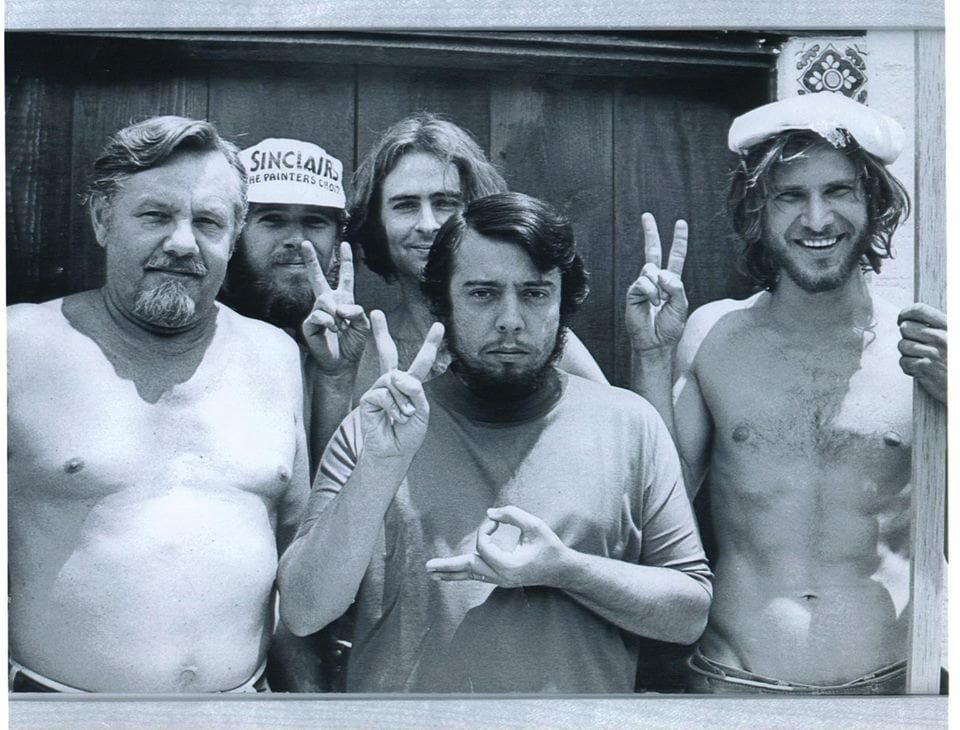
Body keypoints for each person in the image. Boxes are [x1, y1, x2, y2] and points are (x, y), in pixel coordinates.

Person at [278, 192, 712, 693]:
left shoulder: (630, 424)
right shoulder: (376, 431)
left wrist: (566, 570)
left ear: (562, 301)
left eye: (534, 293)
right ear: (444, 301)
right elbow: (304, 612)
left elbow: (689, 615)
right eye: (483, 293)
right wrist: (380, 465)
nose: (511, 319)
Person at [626, 92, 947, 694]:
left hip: (887, 691)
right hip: (732, 685)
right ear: (759, 212)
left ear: (874, 203)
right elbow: (653, 513)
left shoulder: (925, 351)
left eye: (839, 191)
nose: (818, 220)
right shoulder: (715, 337)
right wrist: (651, 356)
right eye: (791, 196)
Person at [7, 116, 310, 692]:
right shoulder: (18, 344)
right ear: (103, 220)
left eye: (208, 222)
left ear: (234, 234)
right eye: (155, 216)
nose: (182, 242)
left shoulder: (275, 356)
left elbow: (299, 566)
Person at [219, 137, 368, 692]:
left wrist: (335, 379)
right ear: (236, 232)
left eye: (316, 223)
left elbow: (326, 511)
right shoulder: (203, 342)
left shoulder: (368, 342)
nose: (296, 241)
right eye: (272, 220)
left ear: (338, 239)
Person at [347, 112, 608, 399]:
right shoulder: (363, 348)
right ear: (376, 222)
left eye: (445, 202)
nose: (428, 224)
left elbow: (614, 425)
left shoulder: (531, 337)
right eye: (406, 205)